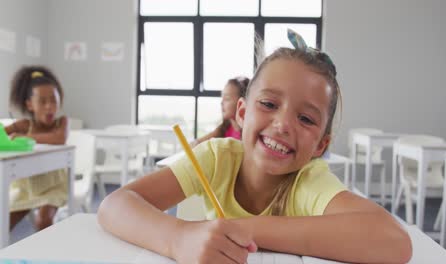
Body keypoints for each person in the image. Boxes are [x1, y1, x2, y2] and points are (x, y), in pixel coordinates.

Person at [98, 30, 412, 264]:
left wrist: (242, 228)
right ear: (242, 113)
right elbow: (115, 205)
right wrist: (178, 238)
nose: (284, 124)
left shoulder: (307, 180)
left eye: (305, 118)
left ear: (321, 145)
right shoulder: (216, 158)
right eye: (269, 104)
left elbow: (394, 241)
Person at [5, 66, 69, 231]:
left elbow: (59, 139)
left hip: (54, 187)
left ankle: (46, 255)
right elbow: (3, 134)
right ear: (30, 105)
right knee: (3, 222)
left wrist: (25, 138)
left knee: (43, 220)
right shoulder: (24, 124)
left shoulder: (61, 123)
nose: (49, 107)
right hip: (26, 188)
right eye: (42, 101)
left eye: (53, 100)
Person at [191, 76, 249, 147]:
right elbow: (196, 144)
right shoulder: (224, 128)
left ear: (241, 103)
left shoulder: (248, 135)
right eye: (222, 97)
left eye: (227, 98)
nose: (221, 103)